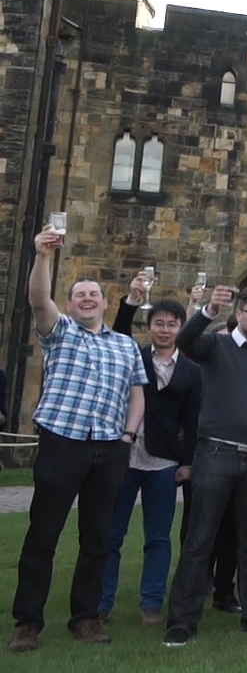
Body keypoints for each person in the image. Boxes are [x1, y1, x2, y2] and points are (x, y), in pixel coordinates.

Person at [8, 230, 147, 652]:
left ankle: (85, 618)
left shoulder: (125, 345)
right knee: (43, 535)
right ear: (69, 304)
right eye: (79, 294)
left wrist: (127, 436)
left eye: (94, 294)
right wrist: (42, 257)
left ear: (106, 303)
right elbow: (37, 300)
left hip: (108, 447)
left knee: (98, 538)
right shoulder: (59, 332)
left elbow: (137, 393)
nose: (87, 298)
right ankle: (27, 623)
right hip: (62, 443)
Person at [164, 282, 247, 646]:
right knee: (199, 540)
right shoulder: (215, 346)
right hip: (215, 456)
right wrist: (208, 310)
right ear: (239, 314)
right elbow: (185, 341)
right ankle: (182, 622)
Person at [101, 289, 201, 628]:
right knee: (111, 534)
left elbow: (192, 420)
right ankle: (101, 603)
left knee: (158, 538)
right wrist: (130, 299)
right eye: (159, 323)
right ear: (149, 327)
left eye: (172, 324)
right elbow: (119, 330)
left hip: (163, 462)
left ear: (180, 328)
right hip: (124, 456)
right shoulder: (133, 356)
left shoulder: (190, 371)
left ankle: (151, 604)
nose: (164, 329)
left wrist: (187, 462)